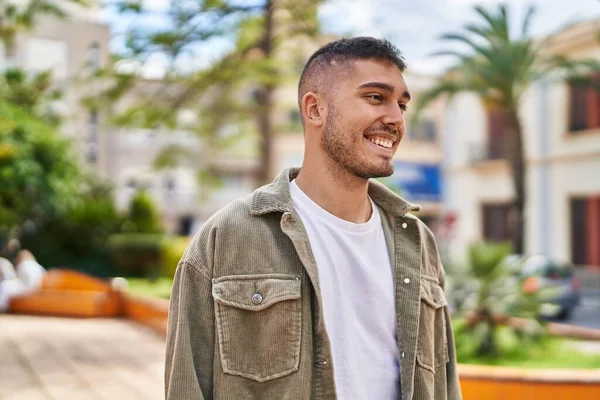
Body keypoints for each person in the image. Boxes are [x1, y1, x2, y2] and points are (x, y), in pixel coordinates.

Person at [165, 37, 461, 400]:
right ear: (315, 109)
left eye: (401, 104)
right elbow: (186, 387)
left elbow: (445, 386)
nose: (396, 119)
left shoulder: (417, 241)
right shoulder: (225, 238)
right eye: (375, 97)